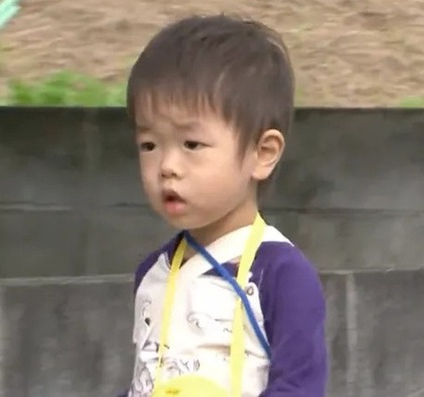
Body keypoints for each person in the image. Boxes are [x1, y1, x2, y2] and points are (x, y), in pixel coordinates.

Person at [119, 13, 328, 397]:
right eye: (149, 145)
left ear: (262, 154)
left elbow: (300, 389)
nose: (166, 166)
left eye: (191, 144)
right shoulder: (152, 273)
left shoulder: (283, 275)